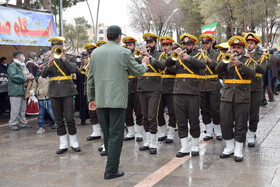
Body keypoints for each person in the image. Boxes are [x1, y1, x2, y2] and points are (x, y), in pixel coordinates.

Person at [87, 25, 148, 180]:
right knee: (116, 134)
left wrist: (91, 98)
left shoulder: (95, 53)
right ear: (119, 36)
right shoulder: (124, 52)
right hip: (117, 99)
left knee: (107, 133)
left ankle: (112, 163)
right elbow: (138, 71)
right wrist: (145, 62)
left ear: (107, 36)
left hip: (101, 99)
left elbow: (90, 78)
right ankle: (111, 169)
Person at [165, 34, 206, 158]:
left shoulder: (199, 54)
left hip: (192, 92)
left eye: (188, 44)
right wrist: (174, 55)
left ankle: (194, 145)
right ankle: (184, 146)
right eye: (184, 44)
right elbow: (167, 64)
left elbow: (203, 65)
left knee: (193, 120)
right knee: (181, 120)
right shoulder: (176, 56)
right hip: (178, 92)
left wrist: (188, 58)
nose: (185, 46)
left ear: (193, 45)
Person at [216, 36, 256, 162]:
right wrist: (225, 59)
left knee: (241, 123)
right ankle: (229, 147)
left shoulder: (248, 60)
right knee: (226, 122)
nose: (236, 49)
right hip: (227, 96)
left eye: (238, 47)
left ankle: (238, 149)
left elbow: (252, 73)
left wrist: (240, 65)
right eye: (234, 47)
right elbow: (217, 70)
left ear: (243, 49)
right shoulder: (226, 59)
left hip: (242, 96)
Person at [41, 36, 80, 154]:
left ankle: (74, 142)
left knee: (69, 118)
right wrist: (48, 64)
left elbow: (74, 70)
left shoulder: (70, 57)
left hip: (67, 90)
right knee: (58, 119)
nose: (55, 48)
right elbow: (43, 75)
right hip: (54, 91)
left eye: (58, 46)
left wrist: (64, 59)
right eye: (53, 46)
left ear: (62, 46)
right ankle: (63, 144)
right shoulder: (48, 59)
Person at [137, 32, 166, 154]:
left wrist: (150, 58)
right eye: (147, 42)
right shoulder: (140, 55)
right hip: (142, 87)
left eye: (151, 42)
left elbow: (162, 66)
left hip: (154, 88)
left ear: (155, 43)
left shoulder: (160, 54)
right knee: (145, 116)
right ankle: (148, 141)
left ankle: (154, 142)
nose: (148, 44)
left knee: (152, 115)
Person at [243, 32, 268, 147]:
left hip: (256, 87)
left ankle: (251, 133)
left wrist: (251, 60)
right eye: (247, 43)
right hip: (243, 87)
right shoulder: (242, 54)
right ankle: (242, 133)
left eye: (251, 43)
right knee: (242, 112)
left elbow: (262, 70)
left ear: (256, 44)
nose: (249, 45)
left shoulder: (262, 56)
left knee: (254, 112)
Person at [198, 34, 222, 141]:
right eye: (203, 43)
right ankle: (208, 132)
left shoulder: (217, 54)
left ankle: (218, 131)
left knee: (215, 109)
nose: (205, 45)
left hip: (213, 85)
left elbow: (220, 68)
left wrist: (209, 61)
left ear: (211, 43)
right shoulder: (198, 54)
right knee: (204, 110)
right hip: (201, 86)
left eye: (207, 43)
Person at [122, 36, 144, 142]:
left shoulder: (138, 56)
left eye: (130, 45)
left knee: (139, 111)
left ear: (134, 46)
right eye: (126, 45)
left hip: (137, 86)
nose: (128, 47)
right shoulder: (122, 56)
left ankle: (139, 132)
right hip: (126, 87)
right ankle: (130, 132)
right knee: (127, 111)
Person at [157, 36, 177, 143]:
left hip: (171, 87)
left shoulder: (174, 56)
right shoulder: (159, 56)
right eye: (163, 45)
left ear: (171, 46)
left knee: (172, 112)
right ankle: (163, 131)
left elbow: (176, 70)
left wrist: (165, 64)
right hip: (160, 88)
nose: (165, 47)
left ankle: (171, 133)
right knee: (158, 112)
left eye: (167, 45)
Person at [8, 51, 34, 131]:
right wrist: (26, 77)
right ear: (18, 56)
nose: (23, 57)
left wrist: (30, 76)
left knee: (23, 108)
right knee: (15, 109)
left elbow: (26, 74)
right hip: (15, 91)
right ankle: (12, 124)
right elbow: (13, 76)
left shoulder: (22, 65)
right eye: (22, 55)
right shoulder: (13, 65)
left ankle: (23, 123)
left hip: (23, 90)